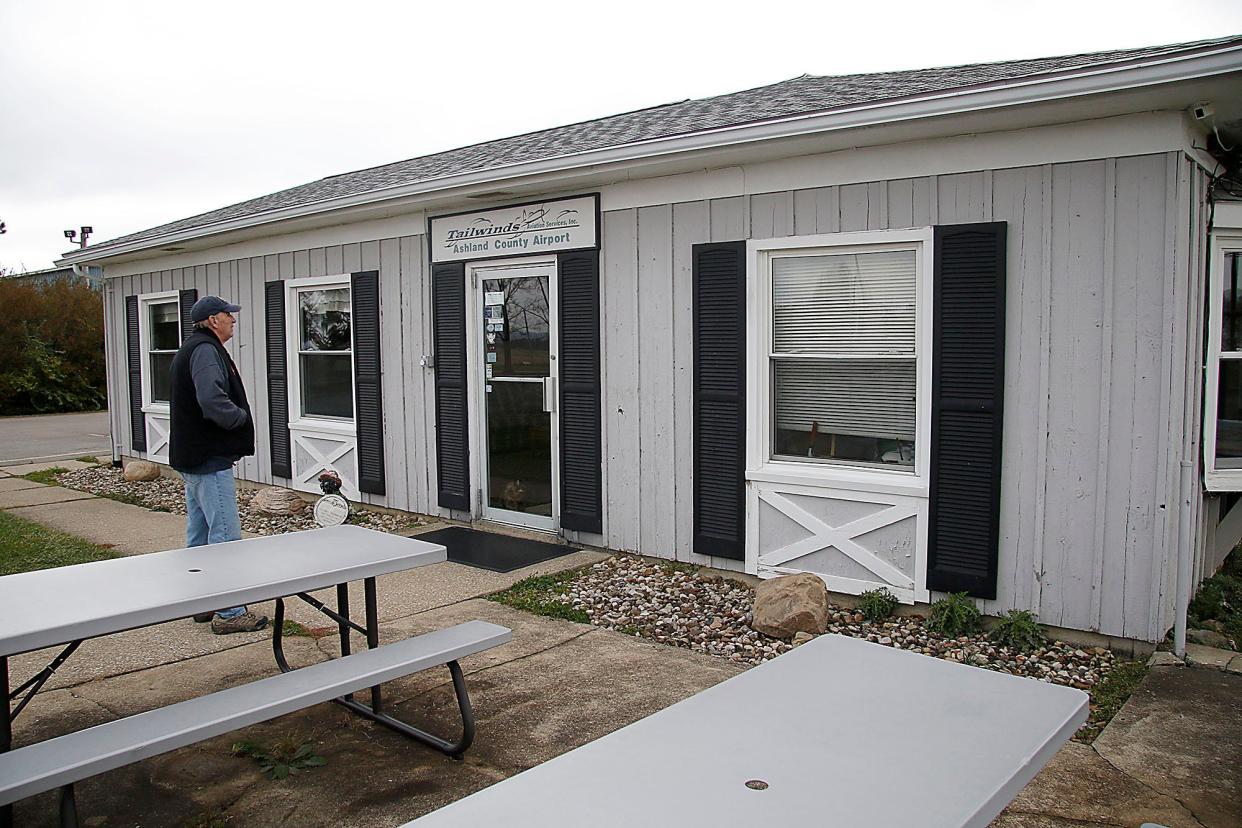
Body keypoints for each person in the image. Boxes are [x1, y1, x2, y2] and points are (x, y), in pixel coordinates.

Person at [168, 295, 268, 634]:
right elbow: (212, 400)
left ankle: (203, 601)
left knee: (199, 534)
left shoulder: (193, 348)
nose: (233, 320)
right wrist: (239, 418)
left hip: (193, 456)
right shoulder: (206, 351)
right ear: (213, 320)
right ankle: (229, 612)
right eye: (229, 315)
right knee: (224, 535)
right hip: (208, 458)